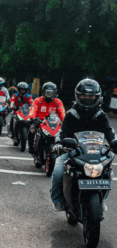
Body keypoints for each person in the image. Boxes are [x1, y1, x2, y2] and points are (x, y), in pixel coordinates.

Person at [51, 79, 117, 212]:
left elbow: (110, 134)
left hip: (95, 152)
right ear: (78, 96)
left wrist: (114, 143)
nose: (88, 99)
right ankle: (57, 200)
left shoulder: (101, 115)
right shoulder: (71, 114)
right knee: (58, 170)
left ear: (97, 97)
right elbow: (62, 132)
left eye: (91, 96)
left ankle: (101, 200)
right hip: (72, 151)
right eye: (84, 96)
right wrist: (59, 144)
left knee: (109, 173)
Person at [27, 82, 65, 154]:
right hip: (39, 121)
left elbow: (62, 112)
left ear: (55, 93)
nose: (49, 95)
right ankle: (31, 147)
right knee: (32, 130)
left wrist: (65, 120)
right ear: (43, 92)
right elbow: (33, 109)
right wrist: (31, 118)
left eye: (51, 93)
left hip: (53, 122)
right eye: (47, 92)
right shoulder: (37, 100)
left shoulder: (58, 101)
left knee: (62, 133)